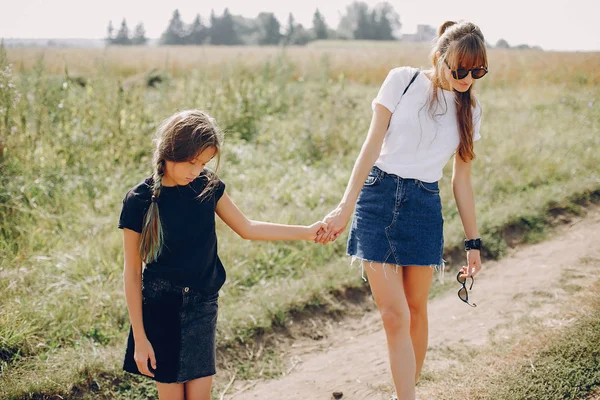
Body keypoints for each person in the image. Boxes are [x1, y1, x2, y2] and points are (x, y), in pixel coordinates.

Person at [315, 21, 488, 399]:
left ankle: (404, 392)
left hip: (424, 205)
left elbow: (461, 181)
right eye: (460, 68)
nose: (467, 77)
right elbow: (371, 146)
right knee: (394, 315)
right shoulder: (403, 81)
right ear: (438, 57)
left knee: (416, 308)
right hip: (377, 199)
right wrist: (345, 208)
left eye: (478, 70)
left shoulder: (470, 111)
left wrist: (473, 242)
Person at [118, 109, 325, 400]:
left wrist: (306, 231)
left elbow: (248, 227)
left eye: (203, 162)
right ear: (170, 151)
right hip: (159, 309)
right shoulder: (138, 200)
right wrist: (140, 338)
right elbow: (131, 272)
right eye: (192, 161)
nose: (197, 169)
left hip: (202, 305)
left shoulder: (207, 186)